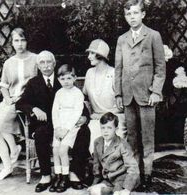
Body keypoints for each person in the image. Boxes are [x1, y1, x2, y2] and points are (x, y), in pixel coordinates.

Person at [16, 51, 91, 193]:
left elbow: (79, 104)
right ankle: (46, 175)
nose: (45, 66)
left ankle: (74, 173)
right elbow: (20, 103)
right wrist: (34, 109)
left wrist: (85, 117)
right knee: (40, 134)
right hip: (46, 124)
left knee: (84, 131)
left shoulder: (63, 78)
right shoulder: (33, 83)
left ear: (54, 63)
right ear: (38, 66)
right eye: (42, 63)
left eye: (48, 62)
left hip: (67, 121)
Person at [115, 0, 166, 188]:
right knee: (132, 137)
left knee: (147, 137)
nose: (132, 17)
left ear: (143, 14)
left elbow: (160, 67)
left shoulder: (153, 36)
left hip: (147, 96)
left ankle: (148, 174)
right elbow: (118, 69)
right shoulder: (122, 39)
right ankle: (135, 173)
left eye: (135, 13)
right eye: (128, 14)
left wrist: (155, 91)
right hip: (128, 96)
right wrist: (118, 94)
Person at [0, 28, 38, 181]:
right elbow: (4, 85)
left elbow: (39, 84)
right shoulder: (8, 63)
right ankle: (8, 163)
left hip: (26, 101)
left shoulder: (35, 59)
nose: (19, 44)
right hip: (10, 100)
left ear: (27, 41)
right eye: (16, 40)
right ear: (12, 43)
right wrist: (7, 98)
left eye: (22, 40)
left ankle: (12, 154)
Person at [83, 39, 127, 154]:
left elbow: (122, 105)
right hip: (95, 119)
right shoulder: (89, 73)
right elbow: (85, 98)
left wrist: (103, 115)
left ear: (101, 55)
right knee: (92, 134)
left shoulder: (114, 73)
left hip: (116, 117)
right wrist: (89, 115)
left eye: (92, 53)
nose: (89, 57)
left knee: (113, 138)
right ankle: (99, 168)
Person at [50, 64, 84, 192]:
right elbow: (55, 111)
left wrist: (66, 129)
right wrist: (57, 127)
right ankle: (58, 177)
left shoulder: (77, 93)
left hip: (71, 127)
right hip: (59, 126)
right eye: (63, 79)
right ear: (59, 80)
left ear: (75, 78)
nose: (66, 82)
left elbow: (77, 113)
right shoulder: (59, 93)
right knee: (55, 150)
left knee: (63, 150)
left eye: (69, 78)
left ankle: (65, 178)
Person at [88, 112, 139, 195]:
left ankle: (116, 191)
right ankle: (109, 190)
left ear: (116, 129)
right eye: (103, 128)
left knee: (117, 193)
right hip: (108, 179)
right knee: (93, 191)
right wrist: (94, 184)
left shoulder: (122, 144)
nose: (105, 131)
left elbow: (132, 167)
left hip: (122, 178)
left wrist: (127, 189)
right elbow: (96, 165)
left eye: (109, 128)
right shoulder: (97, 142)